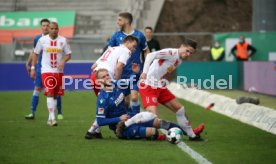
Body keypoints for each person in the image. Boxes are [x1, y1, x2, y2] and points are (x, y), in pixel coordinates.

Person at [86, 68, 203, 140]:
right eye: (103, 77)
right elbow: (100, 121)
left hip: (132, 117)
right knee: (153, 131)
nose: (107, 77)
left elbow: (134, 83)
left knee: (160, 122)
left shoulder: (117, 85)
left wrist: (137, 74)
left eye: (107, 75)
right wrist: (118, 118)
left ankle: (189, 132)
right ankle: (159, 136)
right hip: (121, 128)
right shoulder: (102, 99)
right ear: (98, 81)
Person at [139, 39, 205, 140]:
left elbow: (161, 70)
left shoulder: (179, 60)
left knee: (180, 109)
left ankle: (192, 135)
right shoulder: (170, 53)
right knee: (152, 118)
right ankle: (142, 132)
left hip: (159, 86)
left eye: (190, 53)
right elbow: (150, 55)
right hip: (148, 86)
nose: (188, 54)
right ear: (182, 46)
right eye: (187, 51)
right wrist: (144, 72)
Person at [86, 35, 138, 138]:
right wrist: (116, 83)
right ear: (128, 42)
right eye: (134, 46)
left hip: (95, 76)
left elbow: (93, 67)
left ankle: (95, 130)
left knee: (105, 106)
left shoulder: (111, 48)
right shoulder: (125, 51)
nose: (134, 49)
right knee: (111, 104)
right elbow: (119, 67)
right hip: (105, 78)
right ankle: (92, 130)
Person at [109, 12, 150, 116]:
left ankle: (137, 120)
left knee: (135, 96)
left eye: (119, 20)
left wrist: (146, 68)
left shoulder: (139, 35)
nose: (117, 22)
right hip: (121, 73)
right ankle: (127, 122)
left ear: (126, 21)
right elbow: (110, 53)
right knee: (125, 101)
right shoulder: (116, 36)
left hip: (135, 72)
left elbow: (146, 51)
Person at [30, 22, 71, 126]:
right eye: (51, 28)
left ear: (58, 29)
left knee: (56, 95)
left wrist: (62, 61)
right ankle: (53, 118)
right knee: (50, 92)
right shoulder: (42, 40)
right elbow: (35, 53)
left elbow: (68, 54)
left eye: (55, 28)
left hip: (59, 72)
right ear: (48, 29)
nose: (53, 30)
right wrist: (33, 67)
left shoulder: (63, 40)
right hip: (46, 70)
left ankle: (49, 118)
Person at [25, 18, 63, 120]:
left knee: (54, 90)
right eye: (44, 26)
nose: (45, 27)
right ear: (41, 27)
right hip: (40, 68)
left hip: (53, 69)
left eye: (47, 26)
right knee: (37, 88)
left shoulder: (56, 39)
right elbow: (34, 52)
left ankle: (58, 113)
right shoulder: (38, 39)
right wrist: (29, 64)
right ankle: (32, 112)